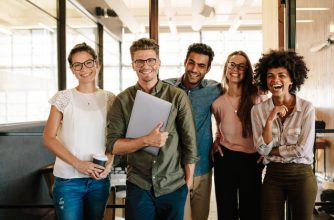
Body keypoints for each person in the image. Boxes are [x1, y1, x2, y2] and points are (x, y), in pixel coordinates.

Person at [106, 38, 198, 220]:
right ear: (133, 65)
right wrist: (147, 140)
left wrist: (187, 184)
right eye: (139, 61)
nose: (145, 65)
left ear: (159, 63)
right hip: (138, 186)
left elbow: (190, 144)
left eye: (150, 60)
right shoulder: (122, 100)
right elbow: (113, 145)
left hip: (172, 185)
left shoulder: (177, 97)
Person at [43, 42, 115, 220]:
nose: (84, 69)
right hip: (68, 182)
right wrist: (78, 163)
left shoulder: (110, 98)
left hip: (99, 181)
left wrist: (110, 162)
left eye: (88, 62)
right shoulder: (63, 98)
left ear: (97, 64)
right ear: (72, 69)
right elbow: (49, 138)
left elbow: (115, 137)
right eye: (77, 65)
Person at [251, 49, 317, 220]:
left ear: (292, 79)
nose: (275, 80)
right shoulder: (258, 111)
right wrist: (270, 119)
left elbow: (301, 149)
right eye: (270, 76)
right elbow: (260, 149)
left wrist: (272, 150)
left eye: (282, 75)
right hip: (273, 176)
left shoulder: (307, 108)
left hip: (301, 175)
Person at [164, 43, 220, 220]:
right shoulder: (166, 88)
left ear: (208, 68)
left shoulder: (214, 90)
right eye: (191, 62)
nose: (194, 69)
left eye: (201, 65)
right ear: (185, 62)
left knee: (199, 217)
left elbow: (233, 106)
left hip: (202, 167)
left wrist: (220, 136)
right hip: (173, 170)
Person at [211, 51, 265, 220]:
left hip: (252, 159)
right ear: (226, 68)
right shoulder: (217, 101)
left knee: (251, 210)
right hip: (225, 158)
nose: (236, 69)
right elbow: (219, 127)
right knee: (226, 210)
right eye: (232, 64)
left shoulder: (257, 97)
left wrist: (266, 151)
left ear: (247, 71)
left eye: (241, 66)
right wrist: (215, 142)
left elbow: (269, 127)